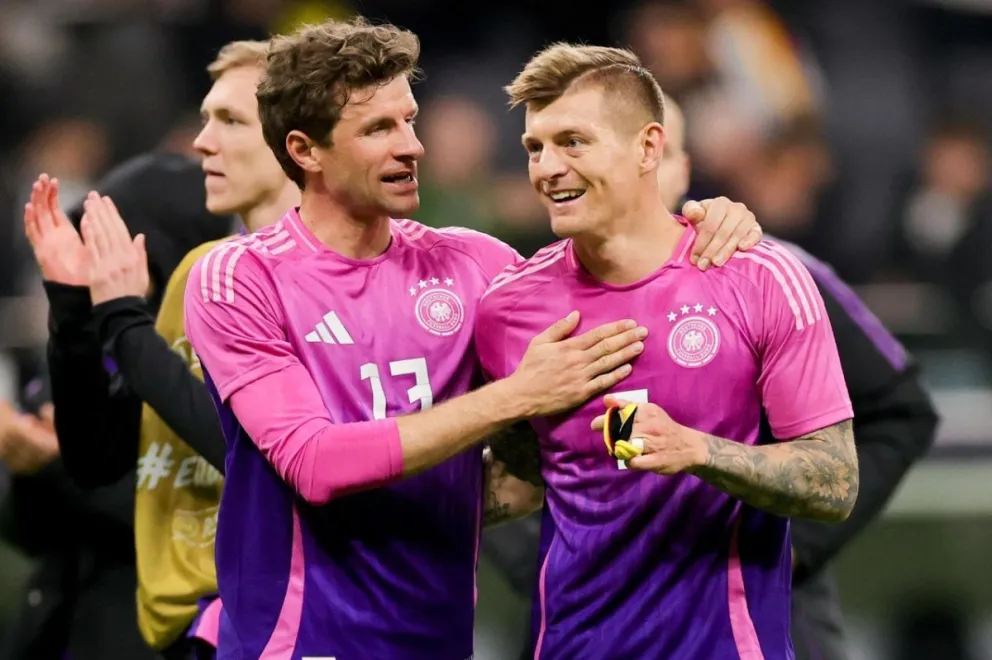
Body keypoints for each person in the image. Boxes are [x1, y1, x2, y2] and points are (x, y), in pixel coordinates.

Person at [183, 18, 763, 660]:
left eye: (409, 120)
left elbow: (613, 348)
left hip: (442, 640)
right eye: (379, 129)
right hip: (297, 642)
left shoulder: (476, 267)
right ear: (305, 150)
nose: (412, 146)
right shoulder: (239, 276)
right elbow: (315, 465)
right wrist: (515, 396)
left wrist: (702, 230)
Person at [474, 44, 859, 660]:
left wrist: (699, 451)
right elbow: (528, 474)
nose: (547, 167)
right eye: (534, 148)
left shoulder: (756, 278)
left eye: (572, 141)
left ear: (649, 147)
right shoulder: (508, 309)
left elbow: (835, 483)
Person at [23, 40, 299, 660]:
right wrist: (74, 312)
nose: (201, 142)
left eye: (229, 121)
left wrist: (125, 321)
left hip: (298, 624)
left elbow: (275, 461)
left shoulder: (337, 281)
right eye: (204, 119)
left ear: (298, 139)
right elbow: (98, 459)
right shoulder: (199, 275)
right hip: (186, 629)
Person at [657, 95, 939, 660]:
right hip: (598, 609)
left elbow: (902, 410)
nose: (640, 171)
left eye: (658, 151)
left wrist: (796, 545)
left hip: (776, 606)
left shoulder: (771, 271)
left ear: (685, 169)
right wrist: (535, 557)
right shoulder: (546, 294)